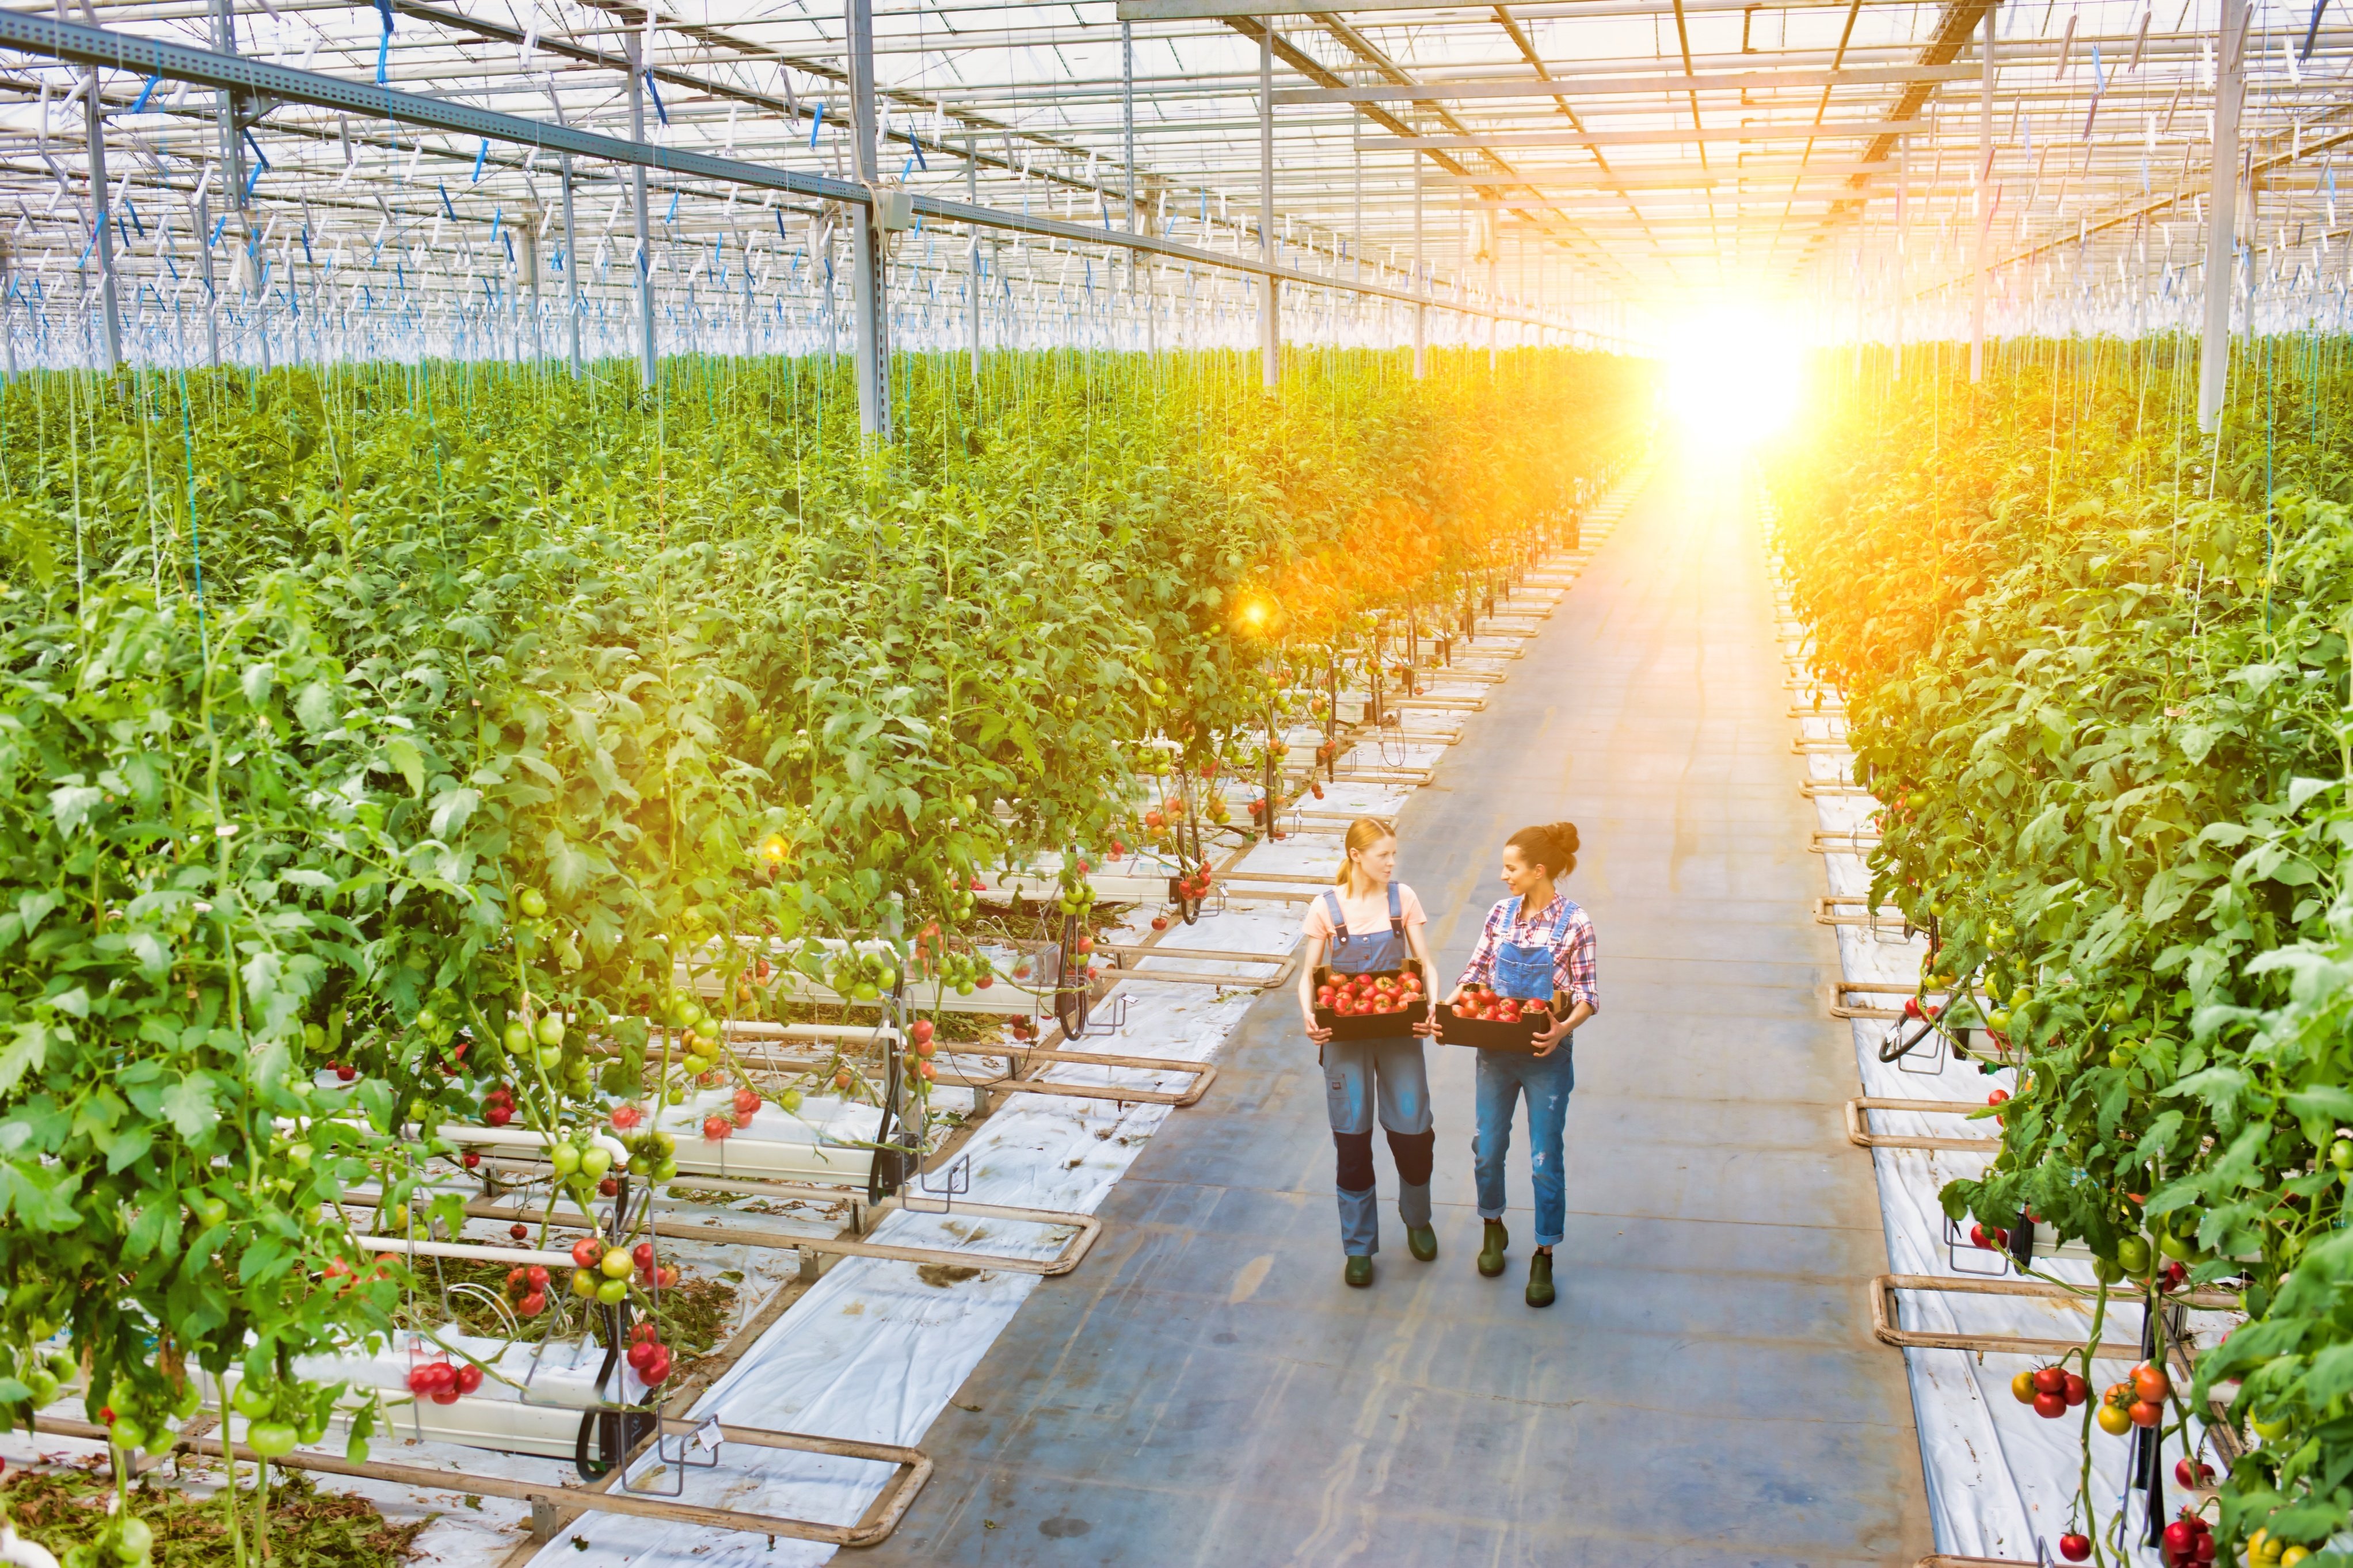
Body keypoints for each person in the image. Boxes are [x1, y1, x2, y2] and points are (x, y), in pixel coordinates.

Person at [1442, 821, 1598, 1309]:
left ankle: (1544, 1251)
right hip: (1493, 1049)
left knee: (1544, 1159)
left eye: (1511, 868)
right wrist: (1445, 1008)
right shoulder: (1499, 914)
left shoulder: (1576, 923)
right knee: (1488, 1148)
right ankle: (1493, 1226)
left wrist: (1562, 1029)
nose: (1503, 875)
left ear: (1539, 870)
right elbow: (1476, 972)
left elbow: (1589, 996)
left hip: (1543, 1056)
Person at [1299, 817, 1440, 1288]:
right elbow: (1309, 976)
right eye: (1383, 854)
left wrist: (1431, 1007)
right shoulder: (1327, 907)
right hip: (1345, 1039)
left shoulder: (1404, 900)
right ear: (1357, 855)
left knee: (1414, 1133)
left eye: (1393, 854)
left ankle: (1417, 1217)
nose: (1391, 862)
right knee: (1352, 1142)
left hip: (1400, 1031)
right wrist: (1310, 1017)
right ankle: (1358, 1245)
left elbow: (1426, 964)